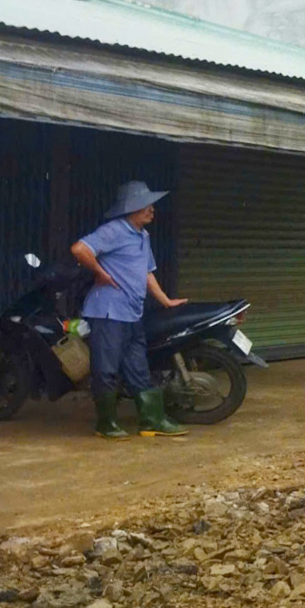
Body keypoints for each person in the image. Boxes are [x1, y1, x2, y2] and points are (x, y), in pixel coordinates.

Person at [70, 180, 188, 440]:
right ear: (132, 207)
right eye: (147, 205)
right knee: (107, 368)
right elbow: (80, 249)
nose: (152, 210)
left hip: (133, 313)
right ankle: (106, 424)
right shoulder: (114, 230)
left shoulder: (142, 236)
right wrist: (100, 273)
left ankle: (151, 420)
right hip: (108, 313)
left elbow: (146, 273)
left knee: (138, 367)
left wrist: (165, 300)